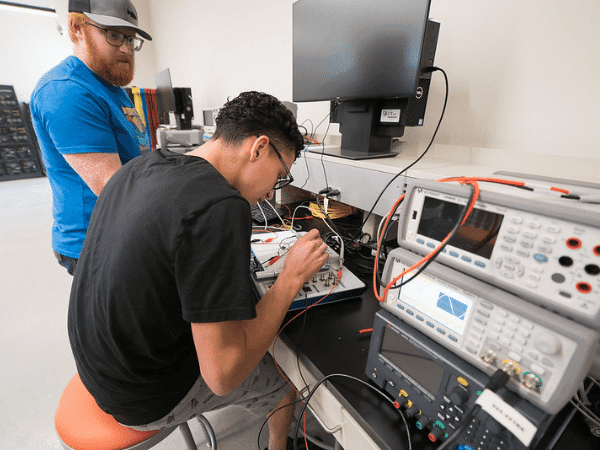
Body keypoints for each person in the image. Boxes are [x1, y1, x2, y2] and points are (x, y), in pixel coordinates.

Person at [67, 91, 329, 450]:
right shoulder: (220, 208)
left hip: (99, 364)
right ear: (259, 148)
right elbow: (223, 376)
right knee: (285, 381)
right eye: (280, 175)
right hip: (139, 395)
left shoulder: (140, 167)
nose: (271, 193)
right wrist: (291, 278)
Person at [30, 0, 152, 275]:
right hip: (97, 241)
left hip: (126, 228)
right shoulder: (67, 91)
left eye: (130, 39)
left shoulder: (109, 83)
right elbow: (115, 190)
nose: (125, 49)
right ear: (77, 27)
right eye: (113, 34)